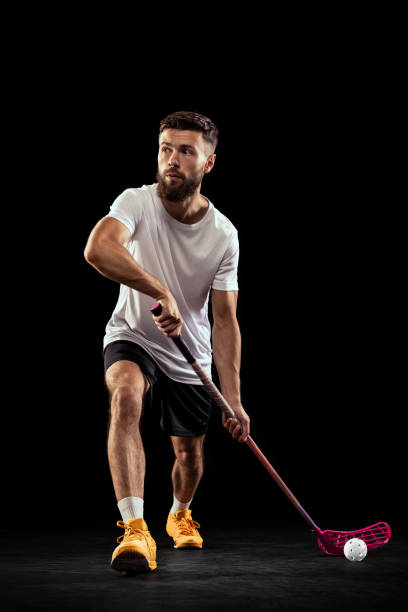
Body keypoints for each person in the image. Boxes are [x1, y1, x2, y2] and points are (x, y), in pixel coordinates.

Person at [84, 110, 250, 573]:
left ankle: (179, 513)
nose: (172, 160)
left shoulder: (223, 235)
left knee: (190, 454)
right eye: (166, 149)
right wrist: (160, 291)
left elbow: (224, 319)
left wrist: (232, 401)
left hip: (189, 353)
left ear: (209, 163)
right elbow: (98, 249)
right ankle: (136, 530)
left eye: (185, 151)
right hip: (134, 333)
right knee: (125, 395)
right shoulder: (136, 202)